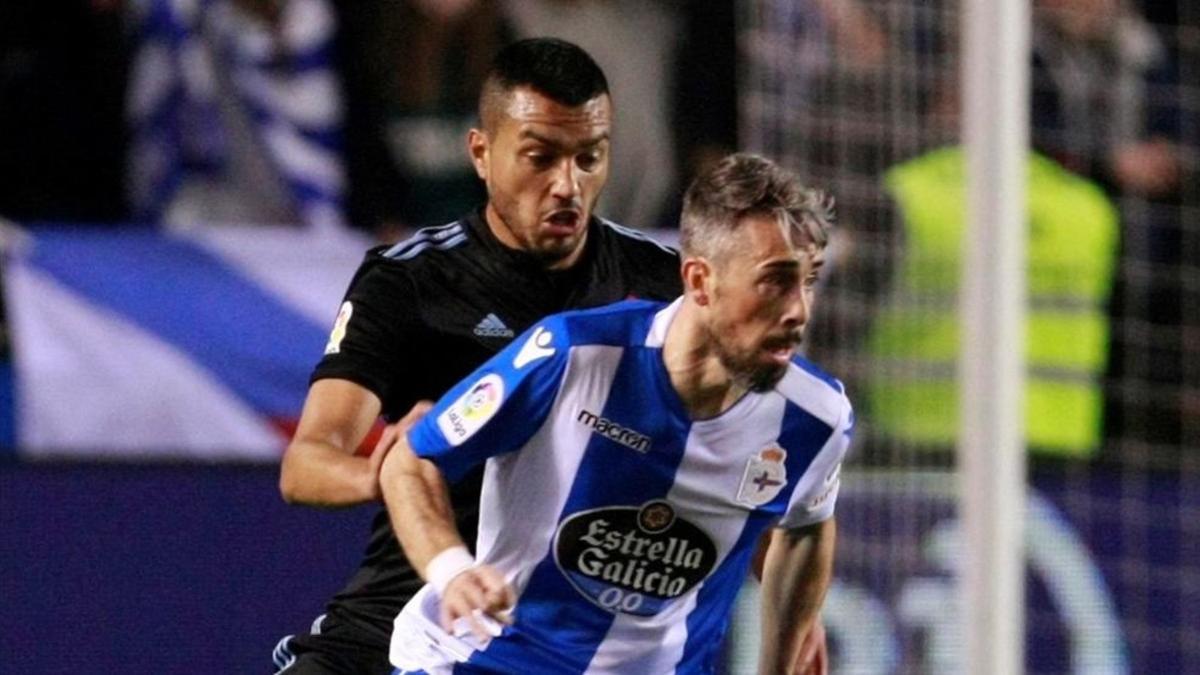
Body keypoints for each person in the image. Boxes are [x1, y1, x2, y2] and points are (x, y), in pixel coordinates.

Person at [274, 38, 682, 674]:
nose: (567, 185)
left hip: (564, 636)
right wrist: (388, 473)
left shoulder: (664, 289)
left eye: (588, 158)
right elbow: (305, 464)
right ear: (482, 154)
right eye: (540, 157)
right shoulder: (411, 282)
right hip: (408, 606)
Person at [379, 153, 852, 673]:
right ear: (699, 281)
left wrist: (782, 660)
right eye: (776, 281)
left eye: (810, 279)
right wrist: (452, 571)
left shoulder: (817, 417)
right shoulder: (572, 356)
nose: (800, 311)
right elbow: (411, 460)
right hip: (483, 658)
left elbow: (806, 526)